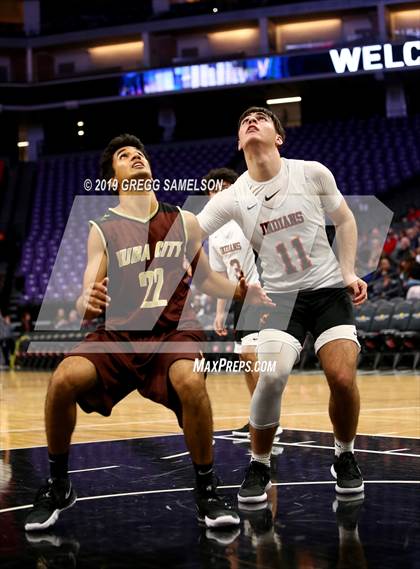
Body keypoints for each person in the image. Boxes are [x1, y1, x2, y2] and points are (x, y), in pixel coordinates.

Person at [24, 133, 273, 532]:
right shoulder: (101, 228)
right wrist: (84, 301)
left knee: (190, 382)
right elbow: (87, 288)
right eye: (124, 156)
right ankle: (57, 485)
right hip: (120, 336)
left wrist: (240, 291)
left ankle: (207, 490)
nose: (135, 157)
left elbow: (208, 281)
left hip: (174, 332)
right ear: (113, 179)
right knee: (62, 381)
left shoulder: (184, 220)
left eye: (139, 153)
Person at [197, 107, 368, 501]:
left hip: (327, 291)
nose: (251, 122)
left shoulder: (311, 173)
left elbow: (344, 221)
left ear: (279, 137)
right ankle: (259, 463)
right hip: (279, 298)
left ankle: (344, 455)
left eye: (261, 118)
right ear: (239, 143)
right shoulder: (234, 195)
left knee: (342, 379)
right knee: (270, 378)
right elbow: (190, 233)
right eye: (243, 122)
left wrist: (347, 272)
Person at [204, 167, 282, 439]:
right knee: (246, 361)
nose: (216, 194)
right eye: (212, 190)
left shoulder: (249, 218)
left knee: (252, 357)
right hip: (240, 300)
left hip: (262, 292)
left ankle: (268, 421)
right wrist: (220, 313)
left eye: (222, 189)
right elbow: (221, 276)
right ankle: (258, 419)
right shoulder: (214, 234)